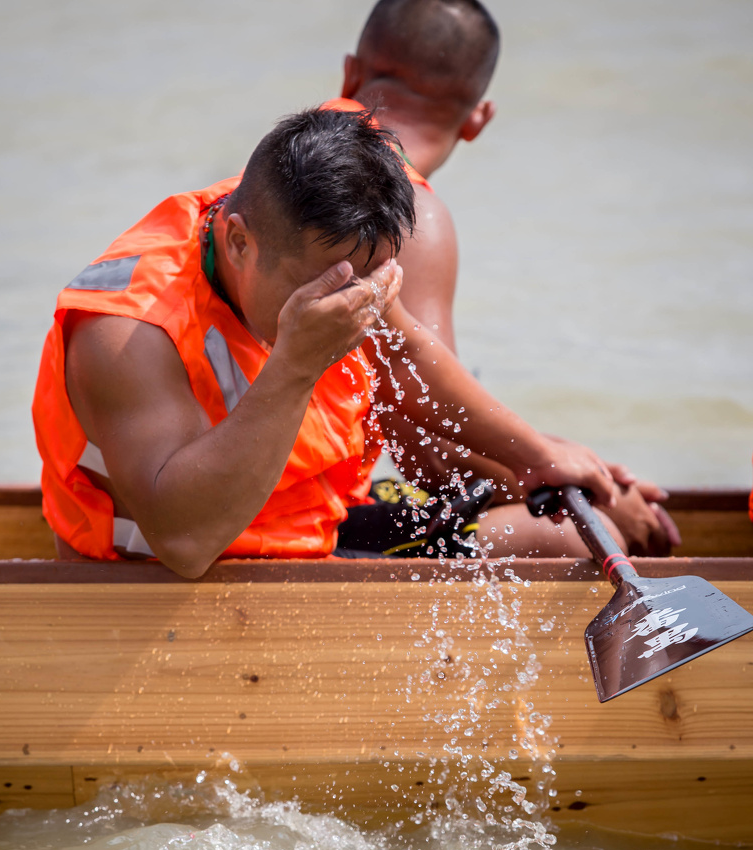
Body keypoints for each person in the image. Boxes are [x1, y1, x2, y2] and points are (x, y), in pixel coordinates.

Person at [32, 106, 616, 578]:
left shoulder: (328, 235)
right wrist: (295, 365)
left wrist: (537, 456)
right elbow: (185, 543)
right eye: (330, 287)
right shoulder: (125, 328)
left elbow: (406, 352)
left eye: (374, 280)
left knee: (577, 531)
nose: (354, 305)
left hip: (311, 526)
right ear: (238, 243)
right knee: (555, 545)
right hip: (181, 579)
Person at [336, 0, 680, 558]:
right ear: (478, 119)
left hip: (233, 490)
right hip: (283, 525)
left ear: (351, 74)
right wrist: (587, 487)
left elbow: (418, 416)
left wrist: (563, 458)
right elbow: (433, 450)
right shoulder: (409, 212)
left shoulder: (291, 173)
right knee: (576, 541)